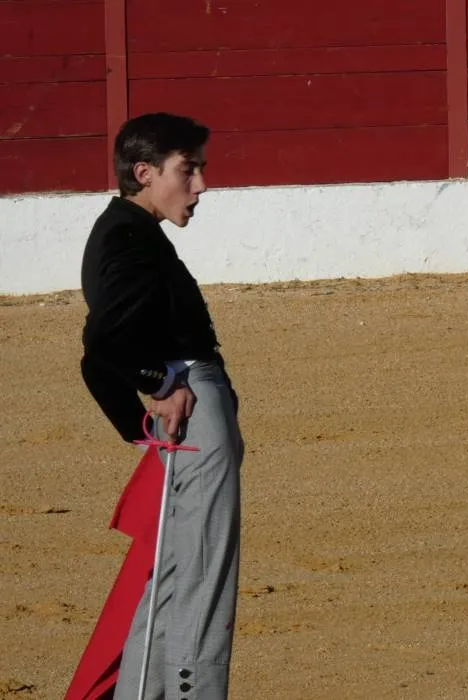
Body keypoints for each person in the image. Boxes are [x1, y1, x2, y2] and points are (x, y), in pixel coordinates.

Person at [79, 112, 243, 699]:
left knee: (175, 572)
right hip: (195, 409)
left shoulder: (125, 230)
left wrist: (137, 422)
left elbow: (98, 352)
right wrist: (162, 382)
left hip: (188, 410)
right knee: (200, 573)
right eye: (187, 170)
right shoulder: (128, 237)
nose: (200, 185)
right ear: (145, 172)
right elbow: (104, 346)